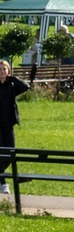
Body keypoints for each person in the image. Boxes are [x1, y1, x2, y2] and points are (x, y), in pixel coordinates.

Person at [0, 59, 30, 195]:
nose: (2, 72)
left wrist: (12, 77)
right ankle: (3, 184)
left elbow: (25, 86)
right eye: (0, 70)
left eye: (4, 69)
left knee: (10, 153)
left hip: (8, 124)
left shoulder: (10, 85)